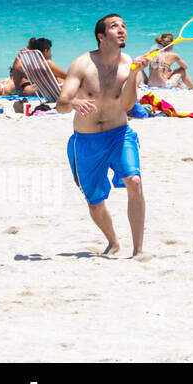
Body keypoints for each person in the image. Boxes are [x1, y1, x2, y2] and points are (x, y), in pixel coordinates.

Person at [56, 14, 151, 258]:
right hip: (86, 141)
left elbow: (127, 105)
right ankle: (113, 242)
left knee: (135, 182)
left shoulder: (129, 63)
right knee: (95, 201)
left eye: (124, 25)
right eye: (114, 26)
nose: (121, 29)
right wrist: (75, 102)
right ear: (101, 36)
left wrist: (133, 76)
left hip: (119, 135)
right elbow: (61, 104)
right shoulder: (82, 64)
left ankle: (138, 250)